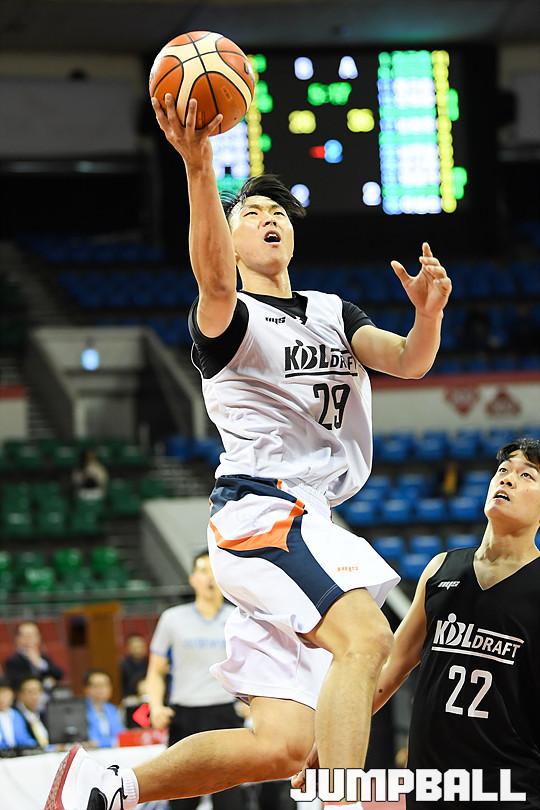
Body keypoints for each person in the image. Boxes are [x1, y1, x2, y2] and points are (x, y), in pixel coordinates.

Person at [44, 93, 451, 810]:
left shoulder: (333, 311)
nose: (269, 218)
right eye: (252, 213)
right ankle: (343, 803)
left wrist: (428, 317)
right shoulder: (229, 316)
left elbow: (408, 361)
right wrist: (199, 166)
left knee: (281, 746)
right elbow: (210, 275)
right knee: (368, 639)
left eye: (278, 213)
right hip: (262, 511)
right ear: (228, 240)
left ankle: (108, 787)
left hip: (307, 517)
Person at [369, 437, 540, 808]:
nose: (507, 479)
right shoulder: (441, 568)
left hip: (512, 788)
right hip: (430, 786)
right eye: (503, 470)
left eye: (527, 475)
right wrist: (333, 736)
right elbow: (392, 666)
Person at [146, 550, 247, 809]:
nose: (209, 577)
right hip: (185, 716)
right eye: (203, 570)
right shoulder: (172, 619)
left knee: (230, 800)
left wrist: (253, 703)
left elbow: (255, 667)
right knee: (182, 799)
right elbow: (156, 670)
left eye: (214, 570)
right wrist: (155, 707)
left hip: (225, 715)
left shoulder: (240, 618)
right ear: (192, 579)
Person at [4, 620, 63, 693]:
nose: (29, 638)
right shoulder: (11, 660)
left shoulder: (44, 657)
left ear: (39, 637)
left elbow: (59, 674)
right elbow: (16, 681)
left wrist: (40, 663)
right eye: (26, 635)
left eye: (33, 634)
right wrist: (45, 682)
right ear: (17, 638)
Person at [84, 670, 125, 749]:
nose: (102, 689)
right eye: (97, 686)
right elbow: (91, 742)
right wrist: (112, 742)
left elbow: (120, 735)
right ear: (87, 689)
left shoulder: (112, 709)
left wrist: (105, 742)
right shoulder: (81, 710)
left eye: (105, 685)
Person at [0, 676, 37, 750]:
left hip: (18, 754)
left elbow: (25, 740)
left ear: (12, 694)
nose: (1, 697)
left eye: (4, 693)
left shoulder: (17, 715)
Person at [15, 676, 50, 749]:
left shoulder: (43, 714)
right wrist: (51, 748)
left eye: (37, 691)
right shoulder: (15, 716)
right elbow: (24, 744)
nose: (34, 696)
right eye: (30, 692)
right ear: (20, 695)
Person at [120, 634, 149, 699]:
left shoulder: (150, 663)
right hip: (129, 697)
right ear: (128, 648)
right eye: (135, 647)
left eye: (141, 646)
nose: (139, 650)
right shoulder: (123, 665)